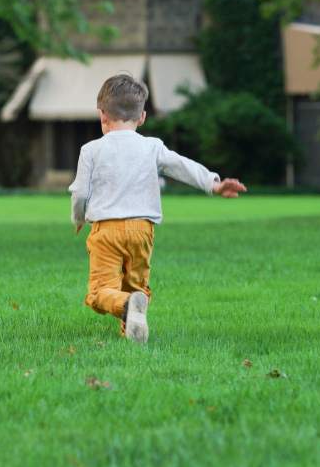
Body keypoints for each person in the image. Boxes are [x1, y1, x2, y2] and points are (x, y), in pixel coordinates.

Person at [69, 73, 246, 344]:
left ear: (102, 115)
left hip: (106, 230)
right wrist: (214, 183)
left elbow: (80, 192)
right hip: (143, 230)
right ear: (142, 118)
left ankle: (127, 305)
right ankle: (132, 328)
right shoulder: (152, 146)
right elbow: (182, 165)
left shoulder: (91, 149)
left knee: (99, 293)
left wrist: (79, 217)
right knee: (137, 287)